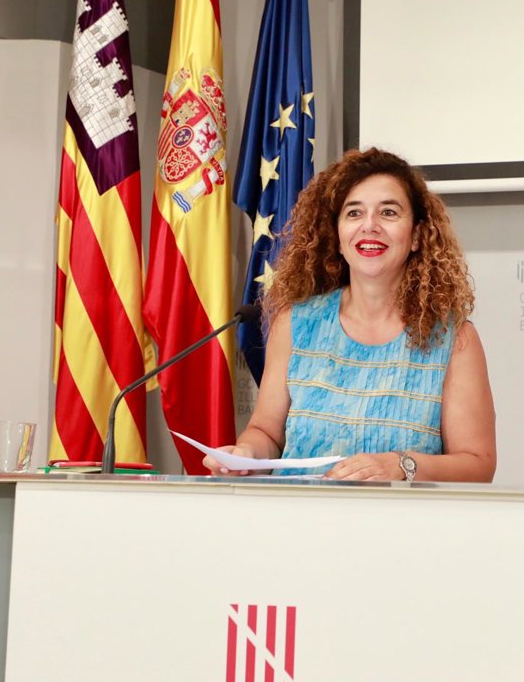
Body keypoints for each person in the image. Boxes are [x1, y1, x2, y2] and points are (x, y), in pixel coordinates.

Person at [205, 148, 496, 482]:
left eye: (388, 212)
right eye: (354, 213)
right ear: (338, 236)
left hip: (402, 516)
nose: (369, 226)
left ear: (417, 235)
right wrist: (246, 454)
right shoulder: (295, 324)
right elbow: (266, 433)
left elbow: (478, 465)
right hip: (298, 513)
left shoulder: (453, 339)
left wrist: (401, 466)